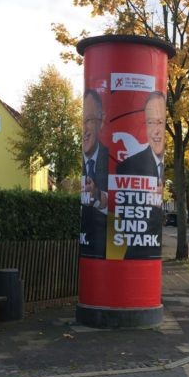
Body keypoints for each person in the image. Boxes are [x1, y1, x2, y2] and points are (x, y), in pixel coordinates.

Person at [115, 91, 166, 259]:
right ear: (146, 126)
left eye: (161, 123)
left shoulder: (164, 166)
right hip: (137, 257)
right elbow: (125, 224)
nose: (157, 131)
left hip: (154, 260)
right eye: (151, 123)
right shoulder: (127, 167)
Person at [80, 89, 109, 258]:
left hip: (108, 249)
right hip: (88, 256)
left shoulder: (113, 160)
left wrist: (97, 195)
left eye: (89, 120)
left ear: (101, 121)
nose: (84, 128)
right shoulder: (79, 165)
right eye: (82, 120)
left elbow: (117, 207)